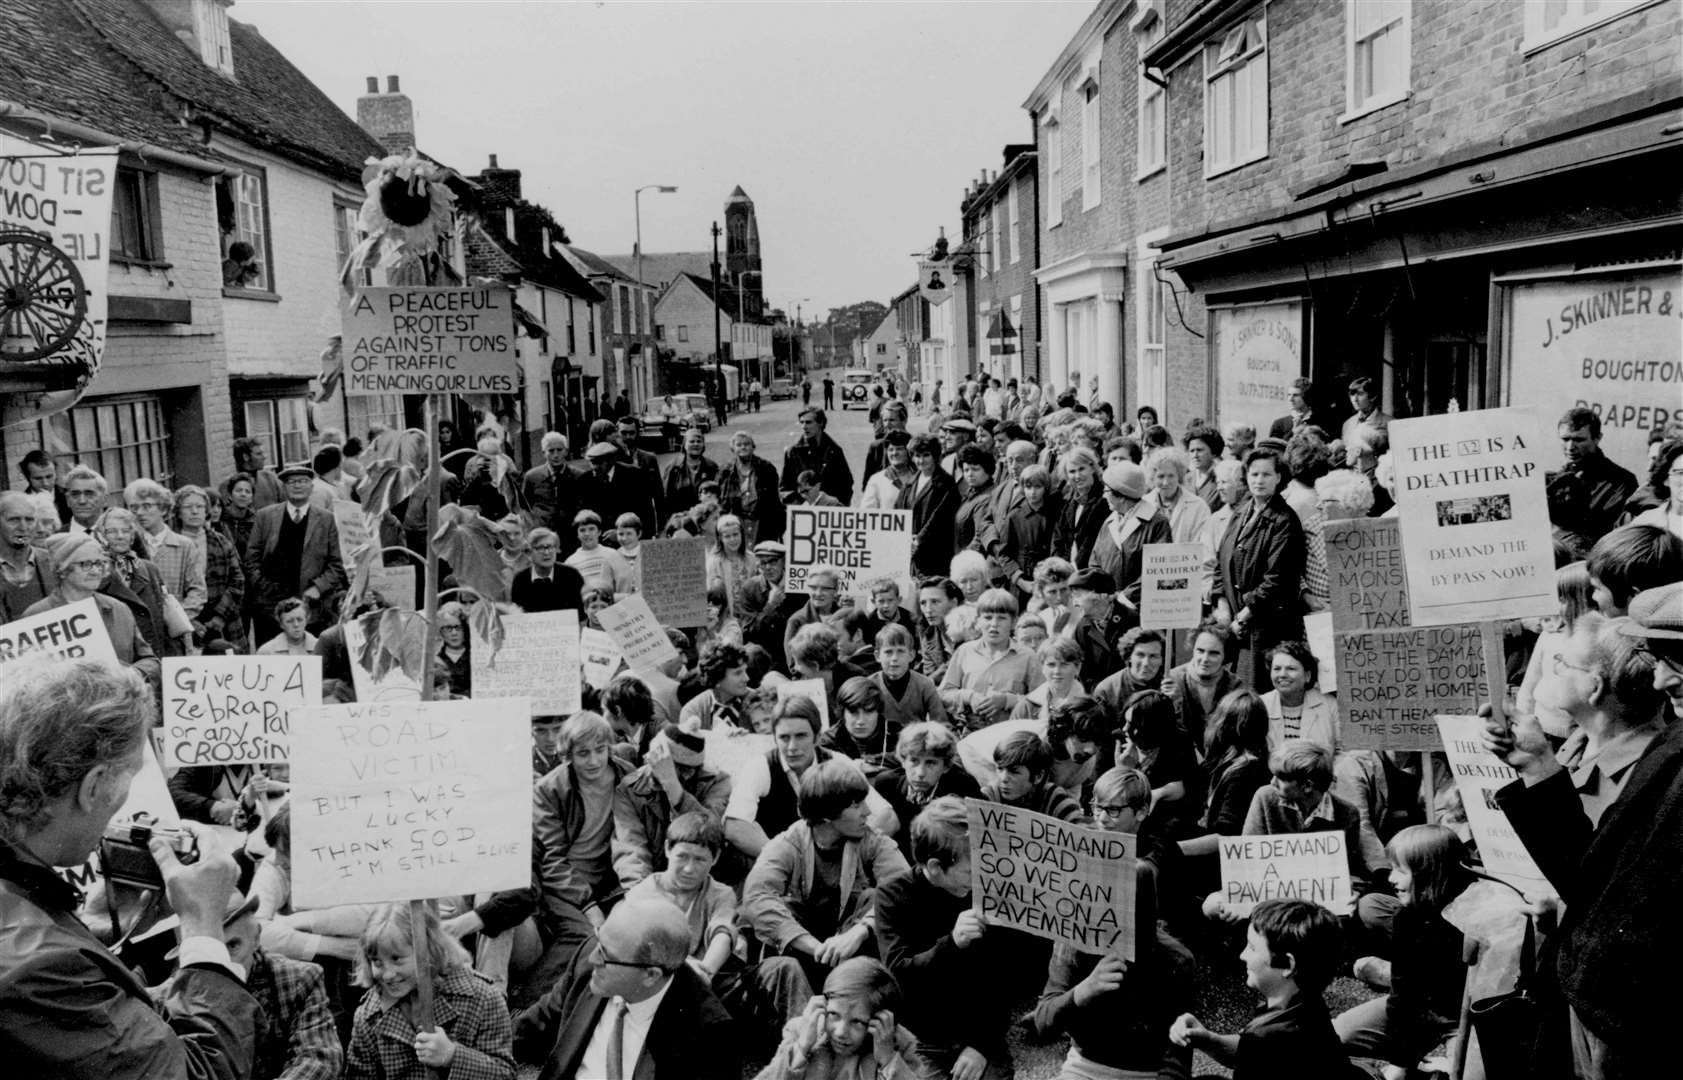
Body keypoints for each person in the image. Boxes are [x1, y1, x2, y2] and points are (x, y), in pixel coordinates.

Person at [0, 656, 258, 1075]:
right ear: (95, 785)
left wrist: (90, 929)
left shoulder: (28, 918)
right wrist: (203, 932)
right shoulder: (41, 967)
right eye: (132, 774)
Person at [1484, 581, 1683, 1076]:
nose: (1661, 681)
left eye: (1677, 664)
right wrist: (1536, 767)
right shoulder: (1672, 750)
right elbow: (1594, 878)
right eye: (1658, 660)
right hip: (1601, 1008)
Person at [1035, 769, 1197, 1080]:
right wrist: (1083, 991)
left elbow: (1178, 1053)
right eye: (1097, 808)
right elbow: (1043, 1024)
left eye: (1112, 810)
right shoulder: (1072, 942)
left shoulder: (1176, 959)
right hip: (1084, 1067)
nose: (1102, 818)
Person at [738, 760, 909, 1031]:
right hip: (805, 954)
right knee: (785, 910)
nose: (867, 812)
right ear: (827, 815)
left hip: (850, 951)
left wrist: (859, 932)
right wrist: (815, 947)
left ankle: (852, 1019)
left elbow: (903, 887)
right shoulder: (787, 843)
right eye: (855, 805)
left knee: (874, 897)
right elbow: (757, 898)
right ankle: (811, 1038)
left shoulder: (871, 839)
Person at [875, 798, 1015, 1080]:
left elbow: (1004, 976)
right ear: (936, 867)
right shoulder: (892, 896)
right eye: (969, 871)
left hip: (976, 1029)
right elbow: (900, 973)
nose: (980, 880)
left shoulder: (987, 893)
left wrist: (982, 1044)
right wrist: (952, 944)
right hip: (922, 1034)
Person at [1336, 826, 1471, 1080]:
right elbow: (1404, 997)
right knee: (1340, 1033)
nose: (1391, 878)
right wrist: (1403, 1061)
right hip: (1422, 1008)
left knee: (1465, 1073)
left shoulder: (1467, 919)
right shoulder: (1406, 918)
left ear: (1429, 873)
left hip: (1461, 1017)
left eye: (1400, 870)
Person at [1169, 898, 1358, 1078]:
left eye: (1252, 948)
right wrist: (1208, 1039)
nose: (1243, 955)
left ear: (1288, 965)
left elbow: (1256, 1048)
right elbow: (1251, 1047)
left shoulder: (1264, 1037)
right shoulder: (1309, 1004)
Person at [535, 712, 637, 969]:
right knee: (585, 939)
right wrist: (588, 904)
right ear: (568, 755)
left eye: (600, 750)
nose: (594, 761)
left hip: (612, 882)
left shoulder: (627, 775)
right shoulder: (550, 789)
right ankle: (534, 1003)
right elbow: (552, 859)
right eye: (583, 753)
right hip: (565, 886)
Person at [1214, 447, 1308, 688]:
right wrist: (1223, 606)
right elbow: (1221, 560)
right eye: (1254, 474)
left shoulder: (1284, 520)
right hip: (1238, 626)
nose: (1259, 480)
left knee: (1258, 693)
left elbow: (1277, 579)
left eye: (1266, 474)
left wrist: (1243, 616)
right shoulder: (1241, 513)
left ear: (1278, 478)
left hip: (1267, 629)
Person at [25, 533, 159, 687]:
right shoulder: (37, 615)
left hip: (116, 705)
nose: (95, 571)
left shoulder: (118, 610)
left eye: (99, 563)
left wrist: (130, 674)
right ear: (62, 570)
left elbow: (150, 661)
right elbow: (23, 680)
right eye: (85, 564)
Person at [612, 724, 732, 891]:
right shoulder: (631, 789)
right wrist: (642, 893)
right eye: (651, 759)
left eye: (662, 764)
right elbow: (632, 851)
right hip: (651, 883)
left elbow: (711, 833)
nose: (651, 770)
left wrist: (674, 789)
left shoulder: (716, 782)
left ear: (688, 772)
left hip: (703, 883)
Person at [625, 811, 739, 981]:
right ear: (667, 849)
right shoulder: (643, 893)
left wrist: (705, 974)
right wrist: (686, 968)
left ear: (715, 858)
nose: (688, 869)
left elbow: (723, 933)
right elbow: (639, 948)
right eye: (682, 856)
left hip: (702, 980)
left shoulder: (721, 894)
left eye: (700, 860)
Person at [245, 461, 345, 642]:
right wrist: (263, 587)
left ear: (311, 487)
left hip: (311, 609)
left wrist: (318, 587)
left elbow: (337, 564)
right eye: (291, 482)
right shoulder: (265, 516)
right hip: (270, 609)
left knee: (311, 660)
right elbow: (251, 560)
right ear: (283, 487)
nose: (297, 485)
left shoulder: (326, 519)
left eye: (303, 481)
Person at [869, 723, 979, 861]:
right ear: (903, 761)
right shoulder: (886, 784)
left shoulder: (963, 787)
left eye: (931, 763)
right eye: (914, 761)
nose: (920, 773)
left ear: (945, 766)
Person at [939, 588, 1043, 730]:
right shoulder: (965, 651)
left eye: (1002, 618)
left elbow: (1041, 701)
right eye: (988, 617)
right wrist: (968, 697)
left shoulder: (1027, 656)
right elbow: (943, 694)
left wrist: (1007, 700)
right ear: (978, 621)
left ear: (1013, 622)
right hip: (972, 733)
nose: (994, 624)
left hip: (1012, 735)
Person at [1548, 405, 1640, 560]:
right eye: (1565, 439)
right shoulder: (1556, 479)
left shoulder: (1621, 481)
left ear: (1597, 438)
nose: (1570, 447)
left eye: (1579, 440)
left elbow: (1614, 535)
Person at [1090, 460, 1172, 622]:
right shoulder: (1109, 522)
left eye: (1107, 491)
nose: (1103, 495)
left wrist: (1123, 598)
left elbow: (1158, 570)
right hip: (1107, 610)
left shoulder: (1156, 523)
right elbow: (1095, 561)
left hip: (1141, 612)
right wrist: (1102, 594)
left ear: (1121, 495)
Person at [1261, 640, 1340, 751]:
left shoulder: (1329, 705)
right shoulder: (1260, 705)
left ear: (1307, 676)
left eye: (1291, 669)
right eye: (1277, 669)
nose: (1282, 674)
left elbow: (1342, 752)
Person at [578, 442, 660, 549]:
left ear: (611, 460)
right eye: (592, 463)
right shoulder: (585, 481)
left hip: (632, 544)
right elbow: (584, 518)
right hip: (600, 546)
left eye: (599, 463)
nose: (594, 467)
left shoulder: (634, 476)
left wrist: (620, 534)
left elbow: (646, 515)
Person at [899, 435, 959, 578]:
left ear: (935, 456)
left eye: (926, 455)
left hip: (935, 552)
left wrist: (919, 539)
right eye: (917, 456)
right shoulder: (910, 481)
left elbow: (940, 517)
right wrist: (902, 536)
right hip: (911, 551)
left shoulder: (945, 482)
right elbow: (899, 511)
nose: (921, 460)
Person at [720, 432, 785, 545]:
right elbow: (723, 501)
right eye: (739, 445)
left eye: (747, 444)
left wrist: (778, 527)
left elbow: (775, 501)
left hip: (762, 522)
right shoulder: (726, 471)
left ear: (753, 447)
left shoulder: (766, 468)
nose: (743, 447)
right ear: (733, 448)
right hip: (737, 523)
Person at [782, 408, 854, 507]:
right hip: (802, 512)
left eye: (808, 422)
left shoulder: (834, 451)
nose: (804, 427)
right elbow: (784, 488)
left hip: (828, 511)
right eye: (801, 422)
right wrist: (801, 504)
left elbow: (846, 484)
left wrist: (836, 504)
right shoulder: (793, 452)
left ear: (821, 423)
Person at [522, 432, 580, 548]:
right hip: (542, 535)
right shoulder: (532, 477)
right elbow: (525, 507)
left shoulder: (578, 476)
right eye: (551, 451)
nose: (556, 455)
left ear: (566, 451)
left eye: (559, 450)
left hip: (571, 536)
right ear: (544, 453)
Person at [1051, 447, 1107, 569]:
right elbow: (1058, 539)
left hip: (1089, 571)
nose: (1077, 476)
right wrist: (1058, 567)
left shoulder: (1104, 501)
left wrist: (1072, 569)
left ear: (1092, 468)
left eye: (1082, 469)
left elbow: (1091, 542)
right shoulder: (1067, 503)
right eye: (1072, 471)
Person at [511, 527, 586, 613]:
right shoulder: (520, 580)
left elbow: (582, 614)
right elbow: (518, 617)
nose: (546, 553)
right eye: (540, 548)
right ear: (529, 553)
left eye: (550, 547)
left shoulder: (571, 576)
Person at [564, 510, 634, 597]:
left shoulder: (612, 554)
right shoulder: (571, 562)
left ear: (599, 531)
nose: (587, 533)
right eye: (582, 530)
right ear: (577, 534)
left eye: (591, 529)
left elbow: (624, 585)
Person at [664, 429, 720, 517]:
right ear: (684, 445)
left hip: (705, 518)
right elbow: (666, 497)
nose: (696, 444)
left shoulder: (712, 467)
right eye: (691, 441)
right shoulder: (674, 468)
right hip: (681, 519)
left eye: (699, 441)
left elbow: (717, 495)